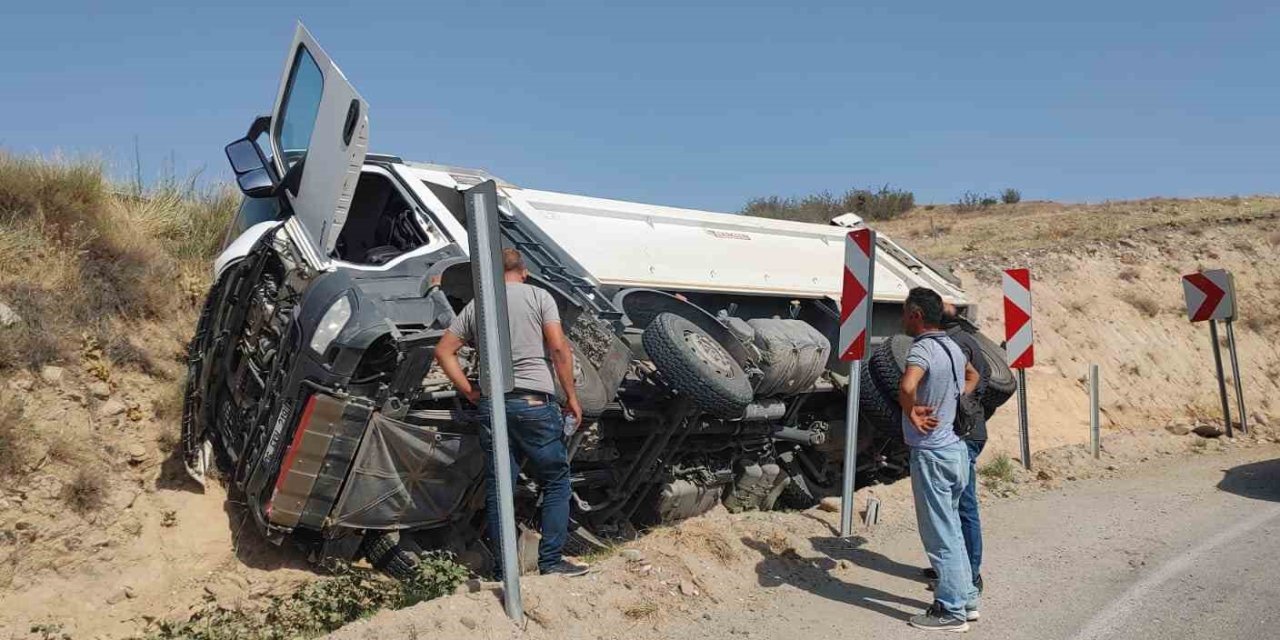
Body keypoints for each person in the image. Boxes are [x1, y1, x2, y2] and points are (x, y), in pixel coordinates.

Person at [434, 248, 587, 577]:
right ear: (524, 271)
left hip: (493, 403)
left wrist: (471, 392)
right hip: (534, 402)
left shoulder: (478, 306)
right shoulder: (538, 296)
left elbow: (444, 351)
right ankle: (550, 563)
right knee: (557, 480)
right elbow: (559, 347)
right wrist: (572, 396)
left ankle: (505, 571)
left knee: (499, 486)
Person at [898, 287, 982, 632]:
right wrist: (954, 401)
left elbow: (906, 387)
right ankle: (967, 599)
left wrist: (912, 411)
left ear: (917, 315)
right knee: (953, 530)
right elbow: (973, 377)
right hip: (956, 450)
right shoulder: (953, 346)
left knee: (939, 534)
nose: (902, 318)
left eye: (904, 312)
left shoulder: (923, 349)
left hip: (932, 453)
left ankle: (950, 611)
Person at [923, 304, 991, 594]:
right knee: (954, 507)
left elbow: (976, 378)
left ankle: (970, 576)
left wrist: (958, 404)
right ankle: (956, 568)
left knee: (962, 506)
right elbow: (983, 376)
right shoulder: (964, 340)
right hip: (968, 430)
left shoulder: (952, 344)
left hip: (962, 434)